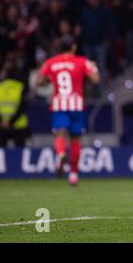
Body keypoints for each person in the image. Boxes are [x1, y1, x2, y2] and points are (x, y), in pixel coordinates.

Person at [37, 35, 100, 186]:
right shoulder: (82, 61)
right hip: (76, 104)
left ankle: (60, 154)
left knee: (60, 133)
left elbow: (39, 81)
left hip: (59, 104)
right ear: (73, 47)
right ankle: (73, 175)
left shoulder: (51, 62)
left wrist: (48, 79)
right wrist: (94, 67)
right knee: (75, 140)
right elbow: (95, 79)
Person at [0, 62, 30, 147]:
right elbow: (22, 107)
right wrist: (11, 122)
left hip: (1, 125)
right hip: (18, 126)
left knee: (1, 154)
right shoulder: (20, 87)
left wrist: (1, 121)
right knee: (20, 154)